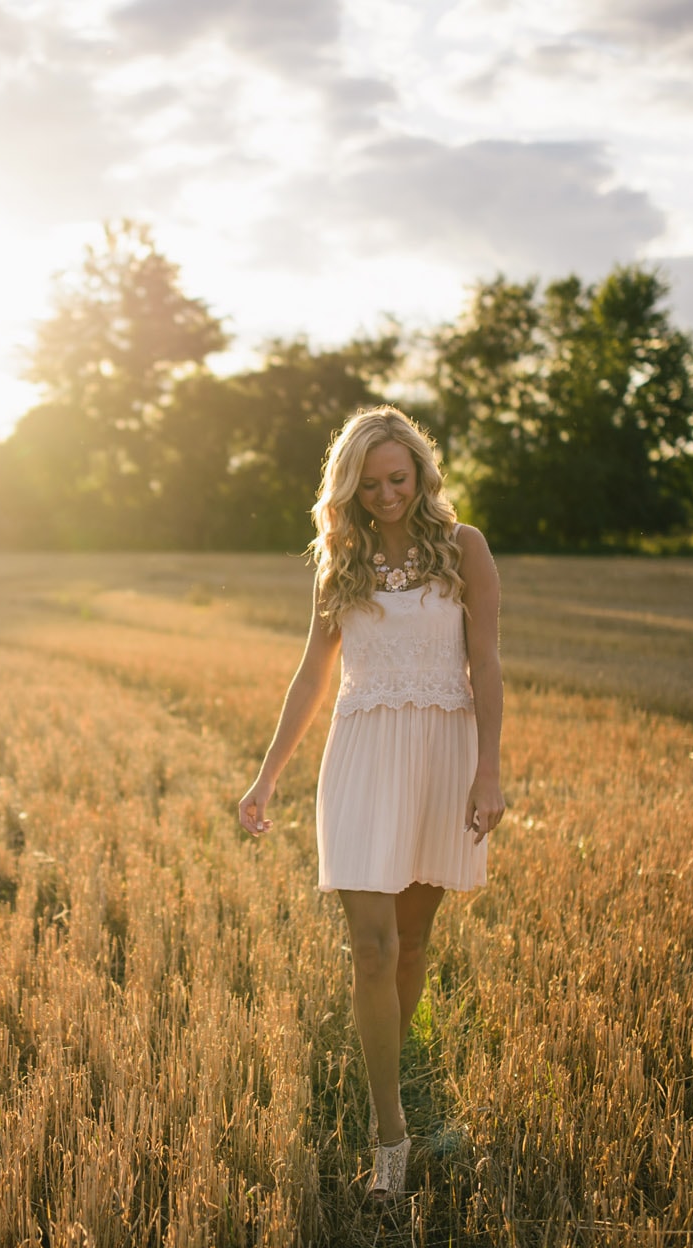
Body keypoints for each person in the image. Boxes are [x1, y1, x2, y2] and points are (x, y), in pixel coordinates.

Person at [237, 405, 505, 1199]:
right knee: (373, 948)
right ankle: (389, 1131)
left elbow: (485, 665)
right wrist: (266, 775)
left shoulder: (465, 549)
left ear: (421, 473)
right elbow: (312, 676)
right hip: (360, 756)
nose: (388, 494)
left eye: (400, 477)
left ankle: (389, 1072)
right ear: (348, 486)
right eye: (372, 481)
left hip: (441, 755)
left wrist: (489, 772)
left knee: (414, 947)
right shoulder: (338, 559)